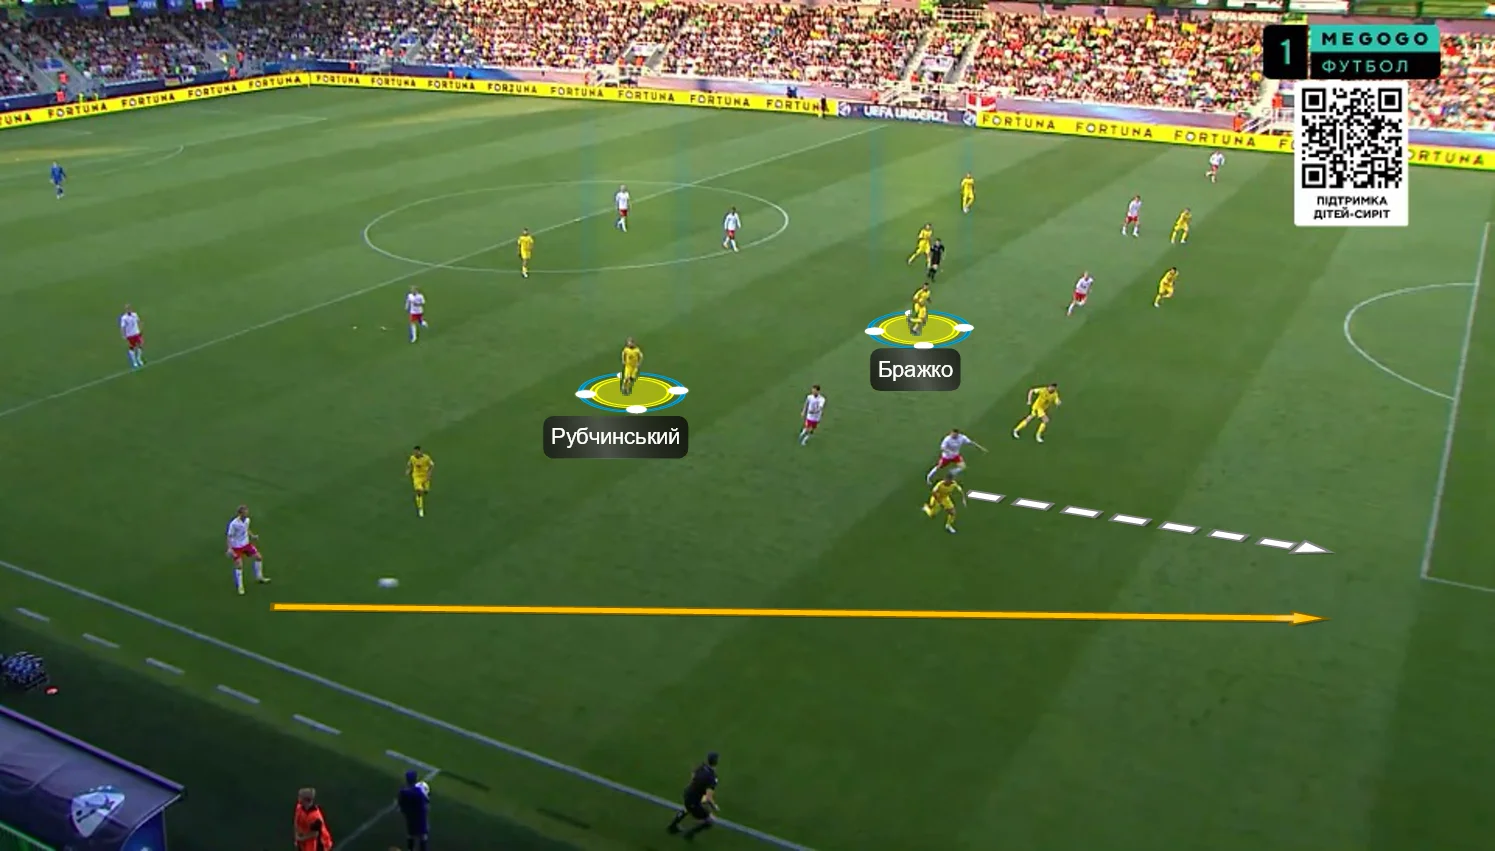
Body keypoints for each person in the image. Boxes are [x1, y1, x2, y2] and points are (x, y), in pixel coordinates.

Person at [667, 752, 719, 840]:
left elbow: (693, 775)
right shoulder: (712, 778)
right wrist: (714, 806)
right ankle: (689, 834)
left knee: (687, 808)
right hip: (693, 800)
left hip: (688, 792)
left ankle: (672, 826)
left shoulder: (701, 767)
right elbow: (708, 798)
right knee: (710, 820)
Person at [396, 770, 430, 851]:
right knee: (423, 836)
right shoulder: (419, 791)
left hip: (410, 816)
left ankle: (410, 849)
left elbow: (401, 804)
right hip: (420, 816)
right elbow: (425, 802)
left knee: (411, 834)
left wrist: (403, 810)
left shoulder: (403, 791)